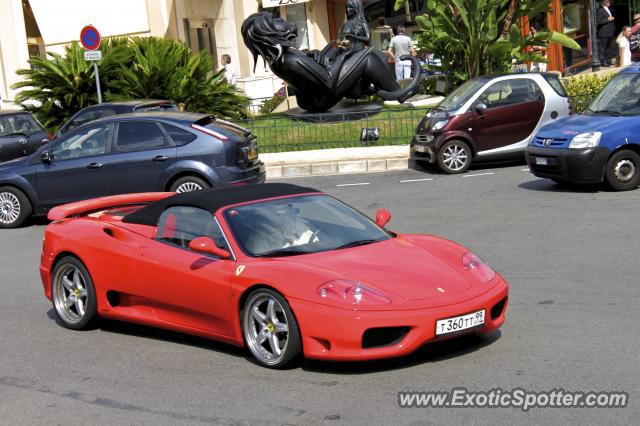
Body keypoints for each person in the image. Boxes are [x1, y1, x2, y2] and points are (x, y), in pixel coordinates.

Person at [596, 0, 616, 67]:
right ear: (603, 2)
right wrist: (608, 19)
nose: (609, 2)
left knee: (609, 47)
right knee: (603, 48)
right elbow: (598, 21)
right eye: (607, 1)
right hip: (604, 32)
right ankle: (603, 61)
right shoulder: (600, 10)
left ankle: (608, 60)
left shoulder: (608, 9)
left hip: (610, 31)